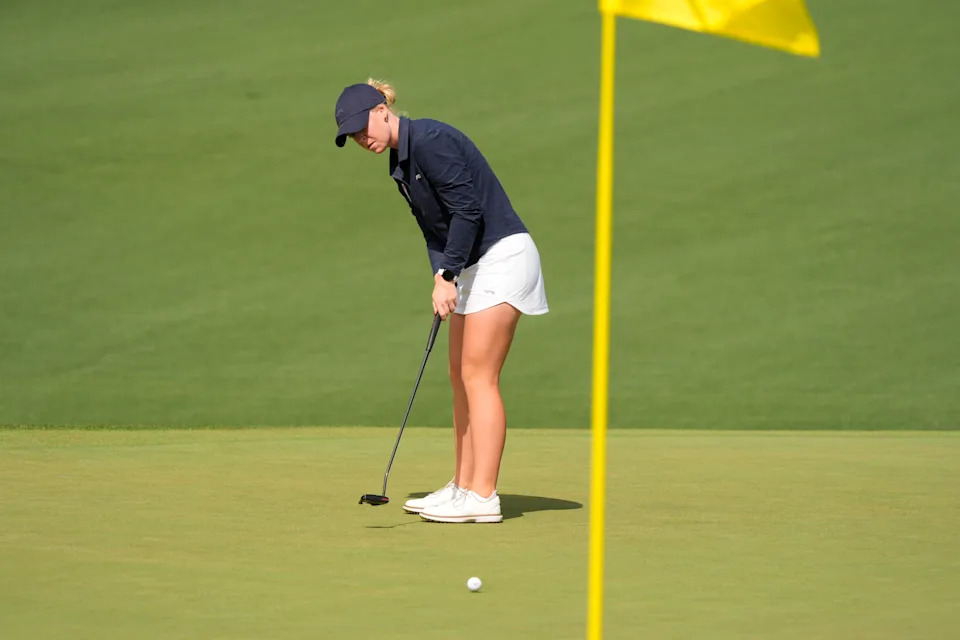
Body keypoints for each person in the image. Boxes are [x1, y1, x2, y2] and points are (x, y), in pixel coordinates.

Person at [334, 79, 549, 524]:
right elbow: (435, 229)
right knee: (459, 375)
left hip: (502, 255)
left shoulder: (430, 140)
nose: (362, 140)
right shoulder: (401, 165)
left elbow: (468, 211)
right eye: (353, 138)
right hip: (471, 265)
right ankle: (463, 486)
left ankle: (483, 496)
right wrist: (441, 274)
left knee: (478, 374)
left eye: (362, 128)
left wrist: (449, 272)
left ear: (382, 109)